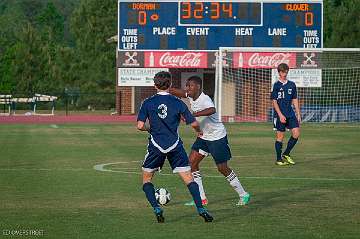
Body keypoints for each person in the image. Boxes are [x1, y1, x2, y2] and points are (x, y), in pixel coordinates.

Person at [137, 71, 213, 223]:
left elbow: (139, 126)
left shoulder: (147, 102)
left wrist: (150, 129)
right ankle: (201, 209)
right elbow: (193, 123)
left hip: (155, 146)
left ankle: (157, 208)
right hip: (175, 146)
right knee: (189, 179)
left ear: (154, 85)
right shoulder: (178, 102)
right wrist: (199, 132)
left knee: (147, 180)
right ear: (170, 85)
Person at [170, 76, 250, 207]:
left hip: (217, 137)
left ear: (198, 87)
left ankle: (243, 194)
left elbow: (212, 110)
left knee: (222, 168)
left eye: (190, 86)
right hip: (203, 137)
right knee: (192, 163)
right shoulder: (190, 95)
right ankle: (201, 198)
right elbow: (179, 92)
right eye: (187, 86)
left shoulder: (205, 99)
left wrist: (192, 115)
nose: (187, 88)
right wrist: (167, 89)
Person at [271, 63, 301, 166]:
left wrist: (298, 113)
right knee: (280, 136)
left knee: (296, 133)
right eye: (282, 72)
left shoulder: (292, 84)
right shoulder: (276, 85)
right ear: (279, 72)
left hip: (290, 113)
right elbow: (274, 101)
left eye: (286, 71)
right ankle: (279, 159)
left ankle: (286, 154)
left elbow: (295, 99)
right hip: (280, 114)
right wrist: (280, 115)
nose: (284, 73)